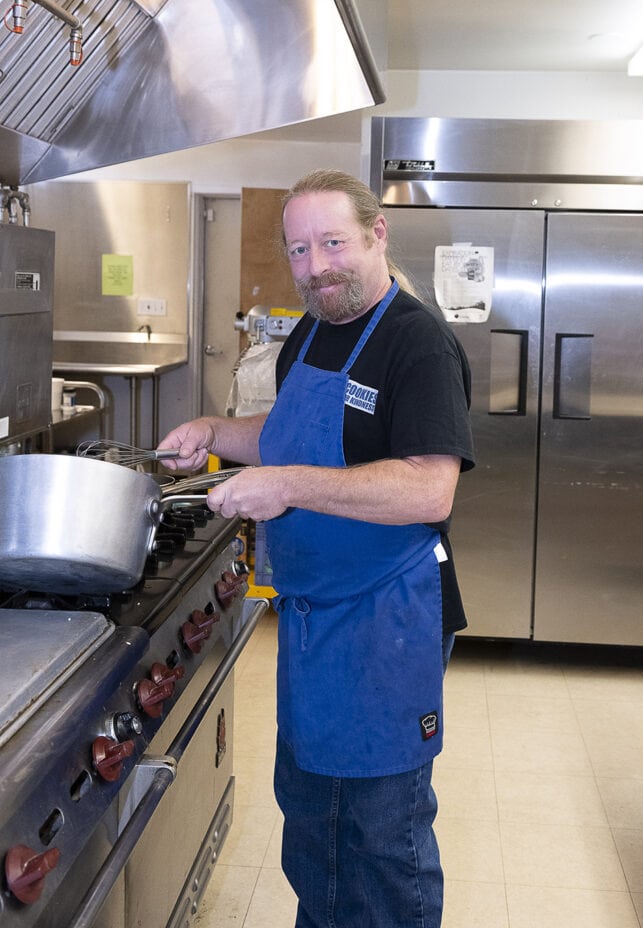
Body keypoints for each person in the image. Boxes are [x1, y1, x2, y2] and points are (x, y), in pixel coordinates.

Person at [157, 169, 475, 928]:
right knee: (314, 822)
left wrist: (289, 485)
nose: (316, 266)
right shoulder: (316, 326)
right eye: (299, 250)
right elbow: (279, 437)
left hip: (386, 618)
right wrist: (210, 434)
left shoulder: (416, 341)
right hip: (314, 616)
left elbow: (429, 489)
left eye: (332, 242)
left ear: (376, 234)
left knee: (378, 834)